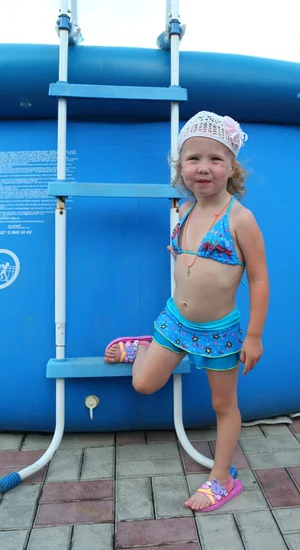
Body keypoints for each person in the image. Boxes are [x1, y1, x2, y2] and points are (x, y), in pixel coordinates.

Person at [104, 111, 269, 511]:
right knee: (142, 385)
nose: (204, 168)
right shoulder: (186, 209)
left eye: (216, 158)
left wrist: (253, 336)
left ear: (232, 167)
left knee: (223, 406)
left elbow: (260, 280)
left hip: (219, 333)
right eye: (193, 158)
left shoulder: (240, 220)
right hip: (176, 322)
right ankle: (143, 347)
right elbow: (185, 258)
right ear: (181, 167)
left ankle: (221, 479)